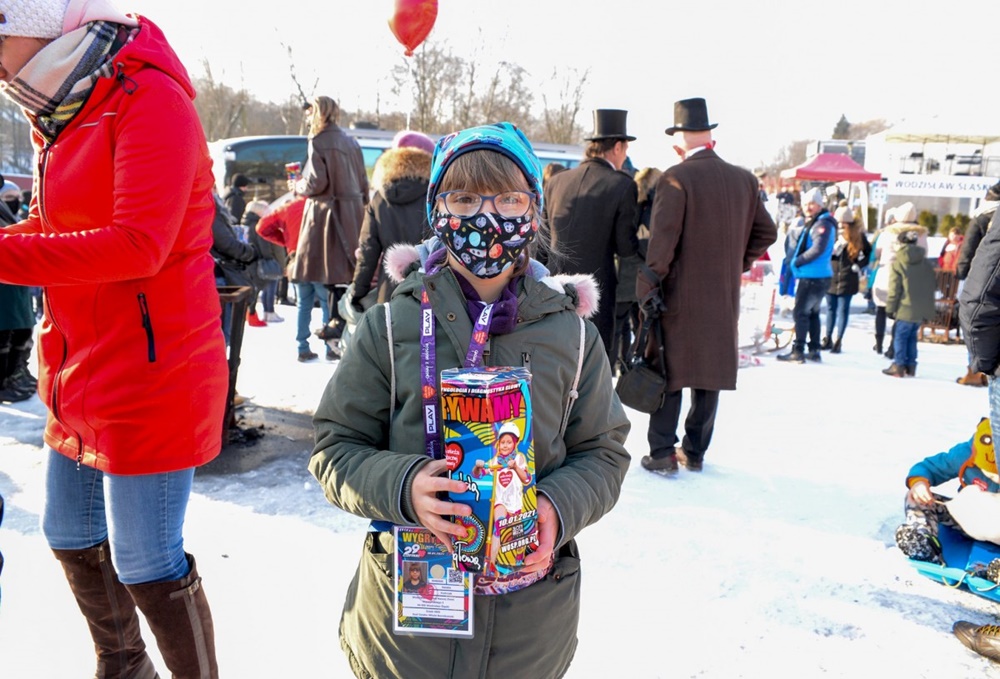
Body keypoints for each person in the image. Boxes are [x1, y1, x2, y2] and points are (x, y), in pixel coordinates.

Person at [308, 121, 631, 678]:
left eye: (508, 198)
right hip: (405, 630)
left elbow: (603, 452)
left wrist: (557, 508)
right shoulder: (390, 325)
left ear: (533, 210)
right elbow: (334, 448)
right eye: (464, 197)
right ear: (437, 210)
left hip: (529, 626)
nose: (487, 216)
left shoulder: (572, 335)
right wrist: (406, 487)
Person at [0, 1, 226, 676]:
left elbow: (140, 244)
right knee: (68, 532)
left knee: (146, 558)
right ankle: (123, 665)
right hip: (80, 360)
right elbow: (49, 222)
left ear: (40, 22)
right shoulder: (63, 105)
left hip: (155, 368)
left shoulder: (147, 93)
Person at [639, 97, 776, 474]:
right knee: (708, 375)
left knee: (668, 370)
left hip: (678, 294)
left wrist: (648, 285)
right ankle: (695, 451)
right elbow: (768, 231)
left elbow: (661, 246)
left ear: (678, 141)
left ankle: (663, 452)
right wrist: (738, 261)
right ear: (710, 135)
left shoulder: (675, 178)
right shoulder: (744, 179)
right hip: (722, 295)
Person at [543, 108, 639, 360]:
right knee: (594, 365)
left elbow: (541, 239)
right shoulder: (622, 184)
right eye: (626, 149)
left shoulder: (556, 182)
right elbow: (625, 248)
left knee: (557, 362)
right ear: (617, 147)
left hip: (554, 287)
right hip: (597, 292)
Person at [293, 96, 369, 362]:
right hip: (353, 215)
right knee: (344, 280)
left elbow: (315, 182)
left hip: (326, 218)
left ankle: (329, 335)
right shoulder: (351, 142)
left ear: (318, 112)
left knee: (324, 279)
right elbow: (363, 183)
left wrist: (297, 186)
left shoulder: (318, 140)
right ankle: (340, 338)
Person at [894, 417, 997, 566]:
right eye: (990, 474)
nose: (995, 478)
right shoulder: (966, 453)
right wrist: (920, 483)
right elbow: (932, 467)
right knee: (916, 499)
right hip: (967, 519)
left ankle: (996, 570)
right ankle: (923, 541)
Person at [350, 129, 434, 309]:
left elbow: (368, 252)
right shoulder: (436, 197)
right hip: (431, 293)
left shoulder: (379, 198)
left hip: (388, 294)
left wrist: (358, 293)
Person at [777, 187, 835, 364]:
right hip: (818, 275)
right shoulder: (819, 221)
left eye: (812, 203)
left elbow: (817, 249)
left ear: (819, 204)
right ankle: (814, 349)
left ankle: (798, 350)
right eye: (806, 203)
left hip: (813, 276)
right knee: (812, 313)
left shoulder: (822, 224)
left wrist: (797, 261)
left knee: (801, 313)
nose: (808, 207)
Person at [612, 167, 659, 374]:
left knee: (618, 328)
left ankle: (615, 368)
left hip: (623, 273)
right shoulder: (652, 207)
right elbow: (647, 243)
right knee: (640, 327)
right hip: (642, 276)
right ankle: (630, 368)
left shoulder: (627, 202)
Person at [954, 182, 999, 386]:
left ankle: (975, 370)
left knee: (979, 317)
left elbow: (968, 249)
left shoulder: (981, 217)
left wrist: (962, 272)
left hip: (982, 276)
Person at [871, 202, 927, 358]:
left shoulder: (887, 232)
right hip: (908, 276)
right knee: (900, 314)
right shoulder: (920, 233)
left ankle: (879, 342)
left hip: (886, 273)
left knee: (881, 310)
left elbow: (877, 253)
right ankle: (893, 347)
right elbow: (924, 254)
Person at [882, 229, 936, 377]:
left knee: (900, 337)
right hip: (919, 309)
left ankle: (898, 366)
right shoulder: (925, 261)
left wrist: (890, 307)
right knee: (912, 338)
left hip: (904, 307)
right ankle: (911, 366)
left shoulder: (898, 263)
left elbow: (895, 288)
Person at [0, 178, 36, 403]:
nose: (15, 202)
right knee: (4, 336)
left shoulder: (4, 208)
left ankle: (14, 374)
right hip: (4, 283)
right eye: (10, 198)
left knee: (21, 332)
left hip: (15, 282)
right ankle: (4, 380)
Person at [821, 204, 872, 353]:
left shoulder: (858, 236)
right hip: (831, 275)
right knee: (830, 309)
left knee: (843, 310)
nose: (841, 225)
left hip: (848, 277)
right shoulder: (831, 233)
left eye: (844, 222)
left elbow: (869, 253)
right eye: (838, 222)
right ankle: (827, 337)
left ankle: (839, 340)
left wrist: (859, 264)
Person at [243, 199, 285, 323]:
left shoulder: (246, 222)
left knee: (256, 289)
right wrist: (270, 258)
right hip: (260, 261)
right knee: (267, 285)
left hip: (249, 260)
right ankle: (264, 313)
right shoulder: (257, 224)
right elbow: (264, 246)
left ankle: (253, 314)